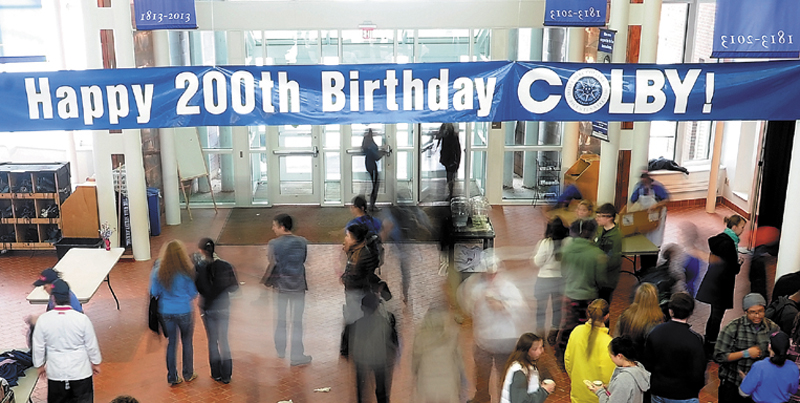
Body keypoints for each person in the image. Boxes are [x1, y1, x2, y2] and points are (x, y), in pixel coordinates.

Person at [459, 253, 526, 403]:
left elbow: (521, 307)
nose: (491, 276)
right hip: (482, 341)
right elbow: (466, 304)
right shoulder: (475, 287)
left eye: (493, 273)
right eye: (487, 273)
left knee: (505, 377)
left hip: (505, 341)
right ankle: (482, 398)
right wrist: (474, 303)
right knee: (482, 375)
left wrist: (503, 306)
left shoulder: (508, 286)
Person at [32, 280, 102, 403]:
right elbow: (91, 344)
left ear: (53, 297)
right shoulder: (82, 319)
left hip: (56, 372)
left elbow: (38, 346)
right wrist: (95, 362)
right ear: (69, 296)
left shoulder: (44, 320)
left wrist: (39, 365)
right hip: (81, 371)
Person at [262, 214, 312, 366]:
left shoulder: (273, 244)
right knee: (297, 321)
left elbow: (272, 261)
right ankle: (297, 354)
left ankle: (281, 349)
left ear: (282, 227)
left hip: (282, 287)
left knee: (281, 319)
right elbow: (303, 259)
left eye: (275, 225)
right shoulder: (302, 242)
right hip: (298, 286)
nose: (273, 228)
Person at [696, 214, 747, 357]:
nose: (743, 230)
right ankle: (711, 346)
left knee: (714, 315)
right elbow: (733, 269)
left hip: (714, 283)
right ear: (735, 227)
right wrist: (739, 263)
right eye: (742, 227)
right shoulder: (730, 244)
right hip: (722, 286)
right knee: (717, 317)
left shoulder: (720, 239)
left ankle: (708, 340)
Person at [557, 219, 607, 364]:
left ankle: (562, 355)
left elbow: (563, 272)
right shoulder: (597, 254)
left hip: (569, 294)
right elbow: (601, 280)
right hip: (588, 297)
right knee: (587, 328)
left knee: (567, 326)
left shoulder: (565, 250)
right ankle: (583, 356)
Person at [714, 293, 780, 403]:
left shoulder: (772, 328)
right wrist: (746, 353)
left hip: (758, 386)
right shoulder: (733, 328)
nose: (758, 316)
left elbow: (779, 353)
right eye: (753, 312)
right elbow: (719, 356)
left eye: (761, 311)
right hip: (734, 384)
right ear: (745, 312)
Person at [149, 239, 199, 386]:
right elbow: (193, 293)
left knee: (171, 343)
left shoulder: (158, 270)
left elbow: (154, 292)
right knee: (187, 342)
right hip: (184, 310)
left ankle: (172, 376)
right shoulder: (187, 270)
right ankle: (188, 373)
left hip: (166, 311)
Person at [643, 292, 706, 403]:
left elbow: (648, 364)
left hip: (659, 391)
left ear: (670, 311)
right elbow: (698, 373)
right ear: (690, 313)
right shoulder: (695, 340)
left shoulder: (655, 332)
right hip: (685, 394)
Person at [194, 238, 239, 383]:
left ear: (201, 251)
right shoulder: (225, 265)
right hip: (224, 306)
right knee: (224, 340)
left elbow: (197, 288)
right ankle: (227, 374)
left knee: (212, 340)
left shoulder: (199, 268)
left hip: (208, 308)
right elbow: (234, 287)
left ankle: (216, 373)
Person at [565, 298, 616, 403]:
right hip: (596, 397)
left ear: (588, 313)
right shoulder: (608, 343)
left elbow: (568, 361)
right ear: (607, 316)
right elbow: (608, 376)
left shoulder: (576, 331)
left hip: (577, 393)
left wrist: (577, 379)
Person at [350, 292, 398, 403]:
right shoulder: (383, 323)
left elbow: (346, 345)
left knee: (361, 389)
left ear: (362, 308)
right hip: (379, 359)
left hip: (360, 360)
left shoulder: (355, 325)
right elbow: (393, 341)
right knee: (381, 388)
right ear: (377, 307)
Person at [412, 305, 464, 403]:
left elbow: (415, 361)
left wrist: (415, 372)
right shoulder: (452, 335)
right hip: (448, 381)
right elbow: (458, 360)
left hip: (427, 381)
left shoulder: (420, 337)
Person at [533, 217, 569, 345]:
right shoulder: (568, 242)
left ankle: (540, 333)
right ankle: (553, 333)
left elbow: (537, 262)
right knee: (557, 308)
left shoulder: (545, 243)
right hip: (559, 280)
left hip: (543, 279)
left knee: (541, 307)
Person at [739, 331, 799, 403]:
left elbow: (744, 392)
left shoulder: (759, 366)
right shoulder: (793, 368)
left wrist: (745, 379)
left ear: (769, 346)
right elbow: (793, 390)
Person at [587, 336, 651, 403]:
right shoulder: (638, 368)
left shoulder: (623, 379)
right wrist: (609, 387)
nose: (611, 359)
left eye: (611, 356)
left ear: (619, 356)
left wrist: (599, 391)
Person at [500, 333, 555, 403]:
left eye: (541, 347)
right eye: (535, 349)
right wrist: (544, 391)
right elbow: (521, 401)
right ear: (526, 351)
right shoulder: (519, 372)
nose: (540, 351)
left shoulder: (525, 364)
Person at [614, 283, 664, 360]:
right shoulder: (654, 322)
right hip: (644, 365)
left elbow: (616, 337)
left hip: (625, 360)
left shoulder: (625, 315)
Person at [594, 203, 622, 304]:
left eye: (600, 216)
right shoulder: (600, 231)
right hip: (599, 277)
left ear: (609, 218)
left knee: (602, 308)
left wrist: (599, 262)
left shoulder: (615, 237)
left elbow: (614, 261)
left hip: (607, 280)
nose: (597, 219)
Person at [437, 123, 461, 200]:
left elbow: (454, 150)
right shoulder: (451, 137)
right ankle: (450, 193)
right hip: (451, 160)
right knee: (450, 177)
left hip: (451, 160)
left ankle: (450, 193)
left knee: (450, 177)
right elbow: (457, 150)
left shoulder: (447, 137)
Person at [362, 128, 383, 212]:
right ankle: (372, 205)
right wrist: (383, 152)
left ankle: (371, 205)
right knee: (375, 186)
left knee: (374, 185)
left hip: (369, 165)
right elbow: (376, 157)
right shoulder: (370, 144)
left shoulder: (366, 142)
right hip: (372, 167)